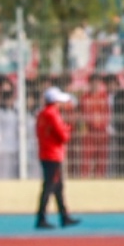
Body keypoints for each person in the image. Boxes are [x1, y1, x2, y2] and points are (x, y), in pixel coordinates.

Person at [33, 85, 75, 230]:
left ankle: (64, 216)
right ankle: (41, 218)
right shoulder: (53, 114)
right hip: (53, 154)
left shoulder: (42, 114)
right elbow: (63, 136)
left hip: (46, 153)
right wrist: (68, 128)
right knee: (50, 186)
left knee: (57, 186)